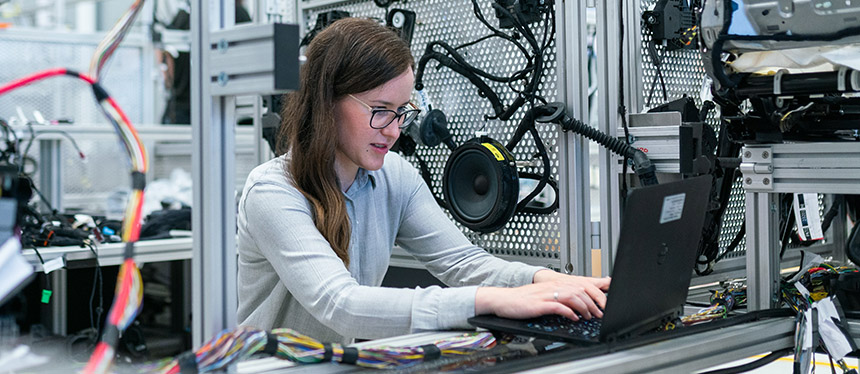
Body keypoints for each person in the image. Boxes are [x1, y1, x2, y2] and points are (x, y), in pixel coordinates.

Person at [236, 17, 610, 344]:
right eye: (381, 111)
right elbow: (341, 305)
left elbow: (464, 263)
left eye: (402, 112)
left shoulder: (394, 177)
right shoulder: (273, 191)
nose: (395, 131)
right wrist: (489, 301)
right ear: (326, 102)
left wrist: (547, 281)